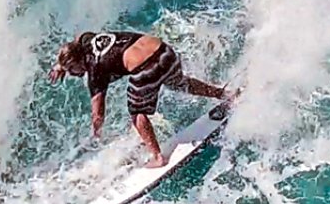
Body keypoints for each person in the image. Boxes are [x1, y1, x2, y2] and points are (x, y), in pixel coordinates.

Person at [48, 31, 231, 166]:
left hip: (147, 67)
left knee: (137, 113)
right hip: (165, 52)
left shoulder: (95, 71)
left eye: (71, 70)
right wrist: (61, 66)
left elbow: (98, 114)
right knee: (179, 82)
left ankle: (158, 157)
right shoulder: (85, 41)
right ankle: (224, 94)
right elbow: (77, 38)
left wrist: (96, 134)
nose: (72, 74)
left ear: (79, 62)